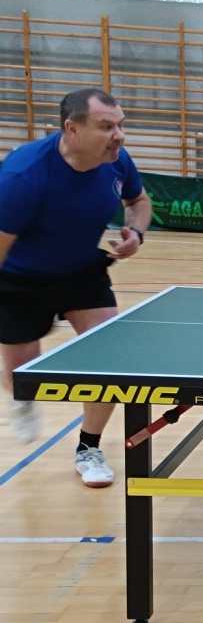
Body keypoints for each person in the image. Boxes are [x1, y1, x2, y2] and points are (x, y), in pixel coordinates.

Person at [0, 88, 152, 487]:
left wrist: (136, 233)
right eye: (106, 126)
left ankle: (89, 447)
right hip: (19, 282)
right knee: (22, 377)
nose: (119, 136)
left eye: (121, 125)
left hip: (82, 272)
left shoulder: (116, 160)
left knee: (109, 360)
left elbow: (139, 202)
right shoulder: (23, 177)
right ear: (72, 128)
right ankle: (20, 396)